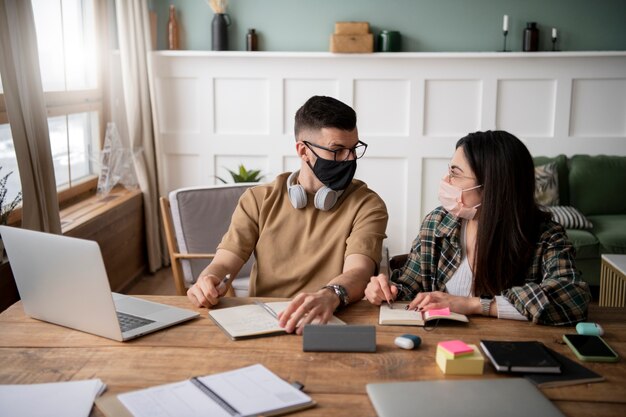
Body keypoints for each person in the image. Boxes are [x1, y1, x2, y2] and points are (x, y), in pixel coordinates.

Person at [187, 95, 388, 333]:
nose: (350, 159)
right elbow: (224, 263)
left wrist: (329, 295)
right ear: (303, 151)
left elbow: (359, 271)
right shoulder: (258, 199)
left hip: (331, 318)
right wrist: (208, 279)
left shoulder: (368, 204)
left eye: (354, 149)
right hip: (263, 322)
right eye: (338, 150)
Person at [364, 130, 591, 326]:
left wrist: (474, 305)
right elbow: (408, 287)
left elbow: (572, 298)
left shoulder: (545, 236)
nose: (446, 180)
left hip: (509, 347)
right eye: (449, 170)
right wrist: (385, 290)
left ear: (492, 185)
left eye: (455, 173)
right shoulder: (438, 222)